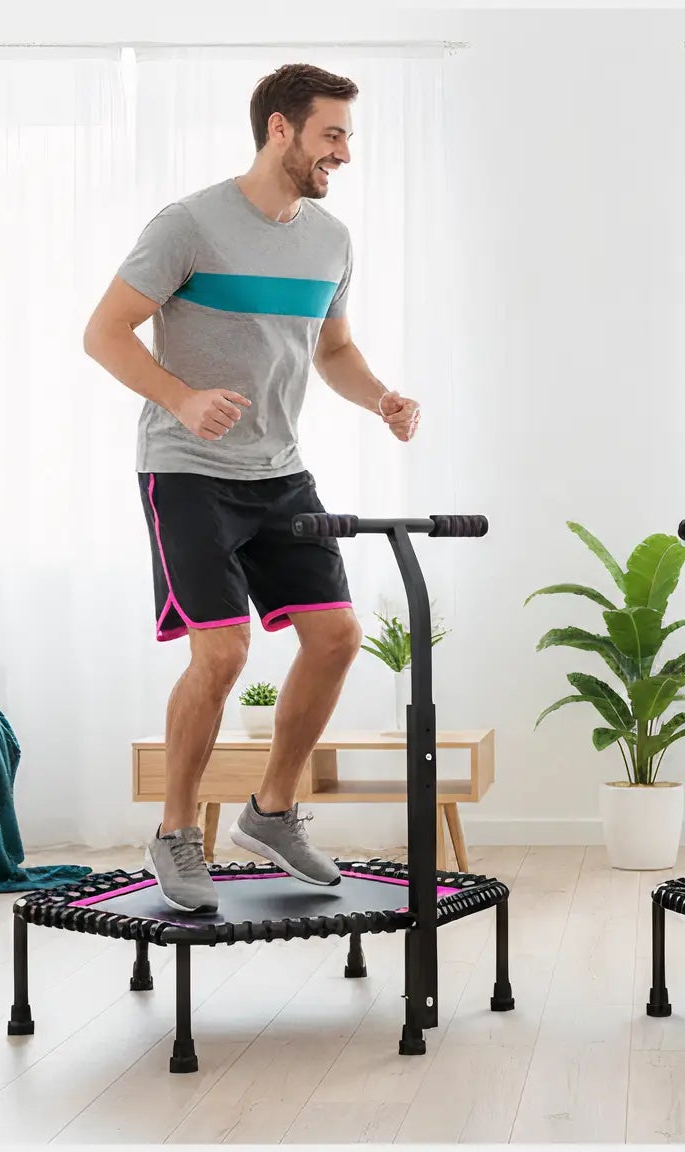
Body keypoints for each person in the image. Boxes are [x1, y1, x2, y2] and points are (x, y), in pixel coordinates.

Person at [82, 64, 421, 911]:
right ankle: (174, 832)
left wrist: (381, 397)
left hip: (280, 471)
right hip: (187, 471)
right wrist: (181, 397)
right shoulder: (189, 224)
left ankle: (271, 812)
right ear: (280, 129)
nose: (344, 153)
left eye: (347, 136)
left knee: (336, 637)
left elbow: (332, 350)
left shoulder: (331, 240)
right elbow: (105, 332)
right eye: (332, 134)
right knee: (223, 653)